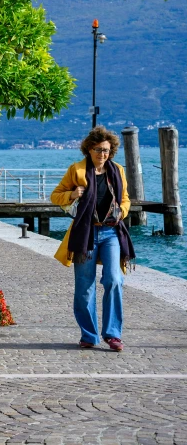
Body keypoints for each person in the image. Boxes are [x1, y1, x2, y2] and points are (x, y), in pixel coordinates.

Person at [50, 126, 135, 352]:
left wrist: (122, 212)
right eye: (98, 149)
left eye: (106, 150)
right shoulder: (76, 170)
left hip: (111, 233)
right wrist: (72, 194)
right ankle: (89, 334)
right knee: (85, 286)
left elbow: (125, 200)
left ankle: (113, 334)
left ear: (111, 151)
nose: (102, 154)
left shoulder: (117, 171)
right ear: (89, 149)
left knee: (114, 280)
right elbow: (55, 196)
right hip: (85, 233)